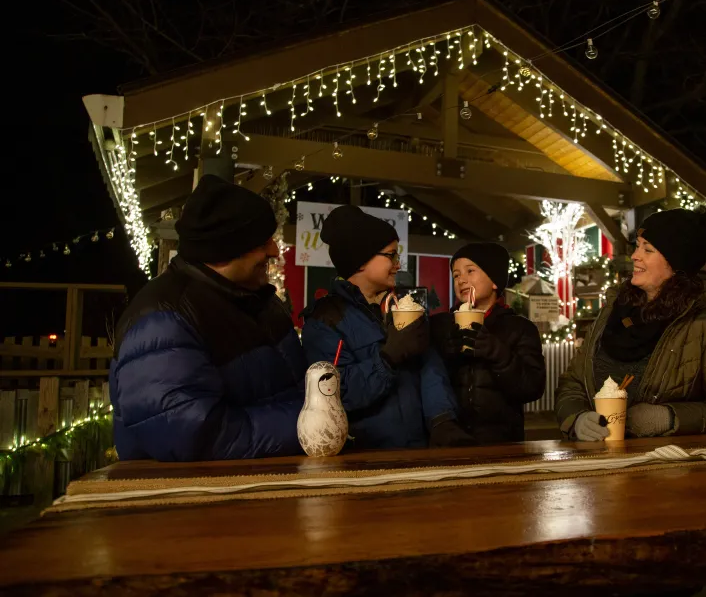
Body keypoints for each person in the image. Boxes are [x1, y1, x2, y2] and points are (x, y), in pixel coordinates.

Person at [109, 175, 307, 461]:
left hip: (265, 487)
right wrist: (306, 424)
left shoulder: (261, 302)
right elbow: (193, 434)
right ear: (225, 249)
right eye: (263, 242)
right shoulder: (162, 317)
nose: (275, 251)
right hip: (193, 498)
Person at [555, 205, 706, 441]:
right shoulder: (611, 311)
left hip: (665, 469)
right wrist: (577, 418)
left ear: (676, 263)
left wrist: (669, 418)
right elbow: (573, 382)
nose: (635, 256)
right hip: (599, 464)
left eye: (648, 249)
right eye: (637, 246)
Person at [301, 205, 472, 450]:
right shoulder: (326, 320)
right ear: (360, 261)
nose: (398, 263)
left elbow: (430, 367)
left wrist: (442, 420)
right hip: (364, 458)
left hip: (418, 452)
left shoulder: (403, 308)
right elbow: (336, 394)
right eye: (391, 255)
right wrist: (387, 358)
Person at [430, 243, 545, 444]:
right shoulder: (441, 325)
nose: (461, 280)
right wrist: (447, 353)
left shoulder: (519, 328)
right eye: (456, 275)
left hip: (503, 441)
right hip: (450, 442)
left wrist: (499, 354)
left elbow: (532, 387)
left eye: (470, 271)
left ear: (494, 281)